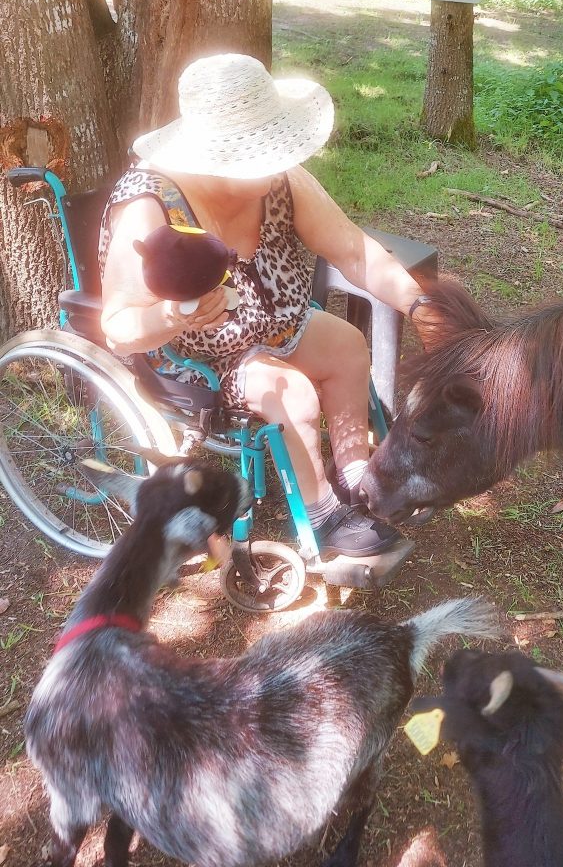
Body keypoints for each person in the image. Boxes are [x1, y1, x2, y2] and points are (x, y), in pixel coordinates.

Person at [99, 53, 431, 559]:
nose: (277, 163)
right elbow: (119, 327)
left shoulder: (283, 180)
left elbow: (353, 251)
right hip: (201, 359)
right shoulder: (151, 206)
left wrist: (421, 305)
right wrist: (172, 315)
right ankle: (321, 512)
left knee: (346, 343)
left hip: (279, 326)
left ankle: (356, 476)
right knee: (292, 392)